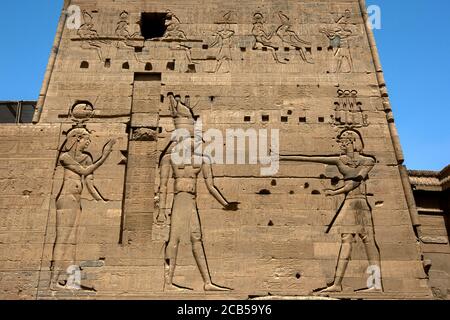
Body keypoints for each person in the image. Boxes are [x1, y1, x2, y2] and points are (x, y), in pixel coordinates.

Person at [280, 130, 382, 293]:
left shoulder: (368, 161)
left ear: (352, 142)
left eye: (343, 141)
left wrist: (335, 192)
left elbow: (357, 180)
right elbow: (311, 158)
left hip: (360, 204)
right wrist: (282, 157)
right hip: (349, 203)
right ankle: (337, 284)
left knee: (368, 242)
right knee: (346, 241)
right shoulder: (339, 160)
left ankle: (376, 285)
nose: (340, 144)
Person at [157, 98, 238, 292]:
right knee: (174, 239)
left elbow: (211, 186)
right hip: (179, 200)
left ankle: (207, 282)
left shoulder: (202, 160)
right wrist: (161, 210)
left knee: (196, 238)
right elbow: (163, 186)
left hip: (190, 201)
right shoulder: (169, 159)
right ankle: (167, 283)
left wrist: (225, 204)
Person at [51, 127, 115, 290]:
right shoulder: (65, 157)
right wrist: (104, 155)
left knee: (72, 240)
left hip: (77, 200)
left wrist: (101, 200)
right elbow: (84, 171)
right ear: (77, 138)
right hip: (66, 198)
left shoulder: (86, 157)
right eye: (86, 139)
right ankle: (52, 280)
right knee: (63, 239)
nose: (88, 142)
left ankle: (71, 281)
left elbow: (89, 182)